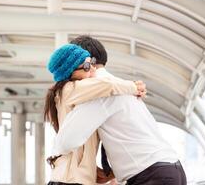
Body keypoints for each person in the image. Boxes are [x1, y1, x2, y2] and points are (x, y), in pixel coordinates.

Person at [51, 35, 187, 185]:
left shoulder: (99, 92)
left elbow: (67, 141)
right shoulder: (120, 85)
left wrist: (58, 157)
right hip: (170, 170)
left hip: (152, 176)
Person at [45, 43, 146, 185]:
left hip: (71, 179)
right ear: (70, 73)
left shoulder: (75, 95)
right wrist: (134, 87)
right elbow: (106, 85)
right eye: (86, 67)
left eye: (92, 63)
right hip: (70, 180)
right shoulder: (68, 89)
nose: (93, 70)